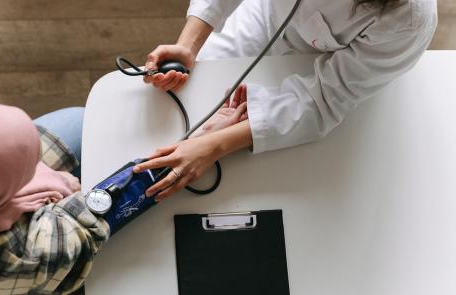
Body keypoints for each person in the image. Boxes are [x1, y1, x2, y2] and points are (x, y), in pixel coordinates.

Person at [134, 0, 438, 199]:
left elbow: (325, 99)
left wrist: (216, 145)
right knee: (181, 107)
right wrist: (188, 45)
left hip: (339, 64)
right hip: (264, 16)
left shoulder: (408, 19)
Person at [0, 104, 106, 294]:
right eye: (30, 170)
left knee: (82, 119)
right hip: (23, 277)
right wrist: (69, 190)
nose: (38, 165)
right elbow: (81, 234)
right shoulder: (12, 259)